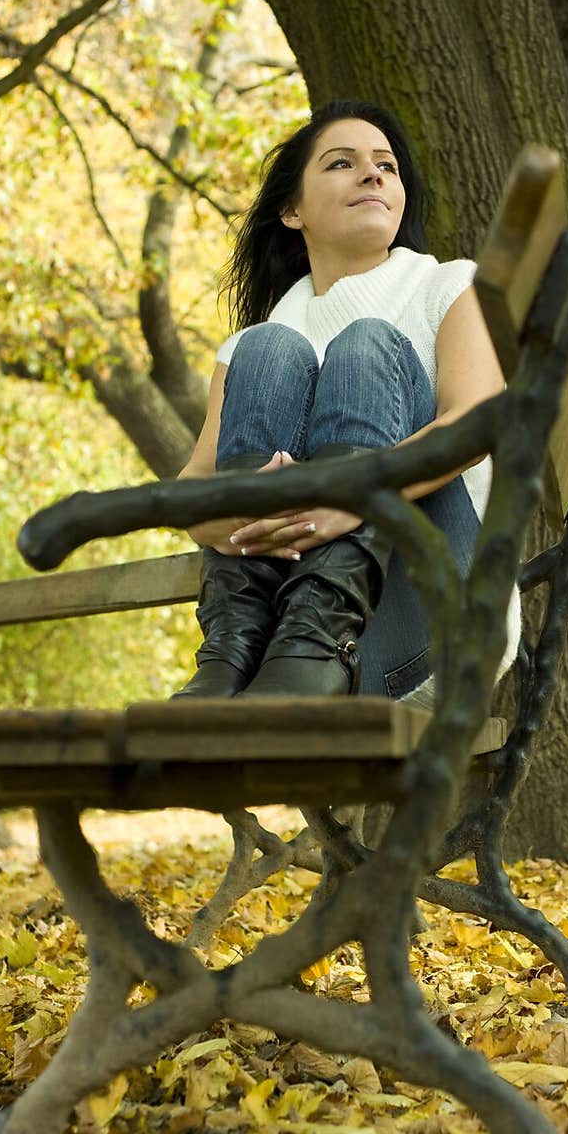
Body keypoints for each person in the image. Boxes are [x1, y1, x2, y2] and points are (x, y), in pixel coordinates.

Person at [172, 98, 521, 702]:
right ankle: (231, 658)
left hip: (432, 622)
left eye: (386, 165)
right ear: (291, 210)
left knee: (366, 345)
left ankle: (316, 650)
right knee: (268, 348)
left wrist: (349, 497)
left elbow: (479, 424)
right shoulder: (248, 352)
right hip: (271, 665)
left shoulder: (448, 286)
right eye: (341, 163)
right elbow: (190, 489)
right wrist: (261, 521)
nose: (373, 174)